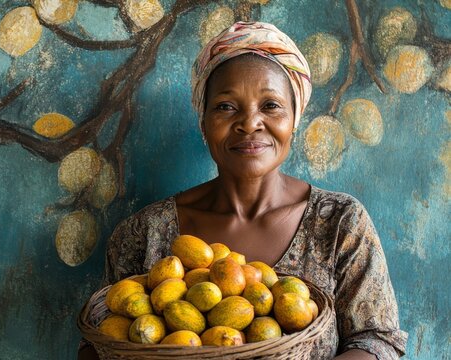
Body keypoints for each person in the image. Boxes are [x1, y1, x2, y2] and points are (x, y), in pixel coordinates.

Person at [80, 21, 407, 359]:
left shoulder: (339, 223)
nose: (250, 122)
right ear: (203, 122)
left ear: (294, 118)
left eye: (271, 105)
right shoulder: (144, 232)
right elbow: (98, 343)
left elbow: (377, 341)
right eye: (225, 106)